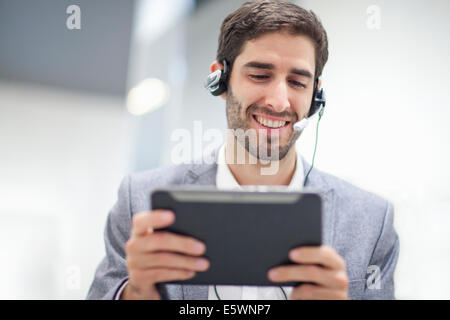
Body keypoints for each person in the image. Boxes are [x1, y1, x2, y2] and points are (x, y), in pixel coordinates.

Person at [87, 0, 399, 300]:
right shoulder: (139, 201)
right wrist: (137, 294)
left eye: (298, 82)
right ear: (220, 80)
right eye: (260, 75)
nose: (278, 101)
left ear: (316, 97)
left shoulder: (372, 223)